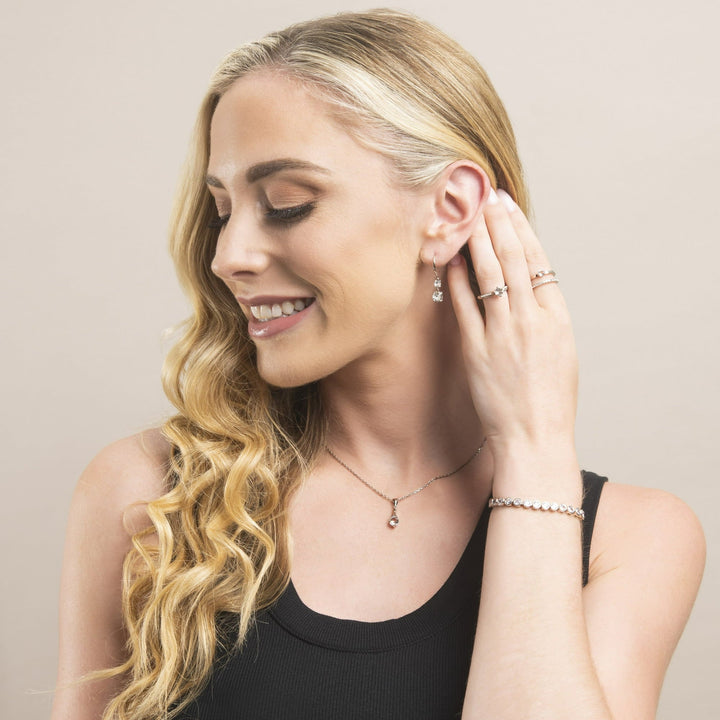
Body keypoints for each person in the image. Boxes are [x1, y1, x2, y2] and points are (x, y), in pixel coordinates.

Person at [51, 9, 705, 720]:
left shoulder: (632, 540)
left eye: (287, 204)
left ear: (449, 208)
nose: (228, 256)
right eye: (221, 211)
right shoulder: (149, 498)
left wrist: (535, 448)